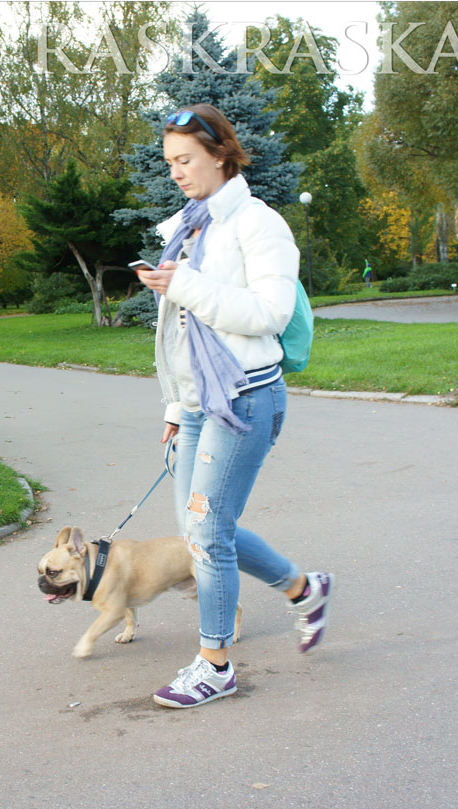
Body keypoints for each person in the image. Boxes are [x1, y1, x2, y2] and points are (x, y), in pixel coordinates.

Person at [132, 103, 333, 710]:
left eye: (185, 160)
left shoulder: (258, 222)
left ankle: (215, 664)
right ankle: (304, 588)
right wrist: (173, 405)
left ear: (220, 153)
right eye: (170, 163)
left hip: (244, 399)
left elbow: (268, 314)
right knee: (200, 529)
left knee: (208, 531)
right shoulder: (190, 224)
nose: (177, 173)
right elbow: (178, 333)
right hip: (195, 405)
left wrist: (183, 284)